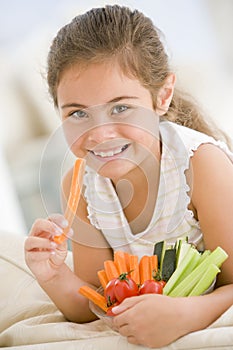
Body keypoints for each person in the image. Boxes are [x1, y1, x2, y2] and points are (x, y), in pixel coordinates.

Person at [24, 5, 233, 348]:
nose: (100, 134)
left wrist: (186, 315)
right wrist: (54, 276)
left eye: (120, 107)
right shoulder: (82, 188)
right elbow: (96, 305)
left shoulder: (200, 165)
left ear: (162, 96)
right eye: (78, 113)